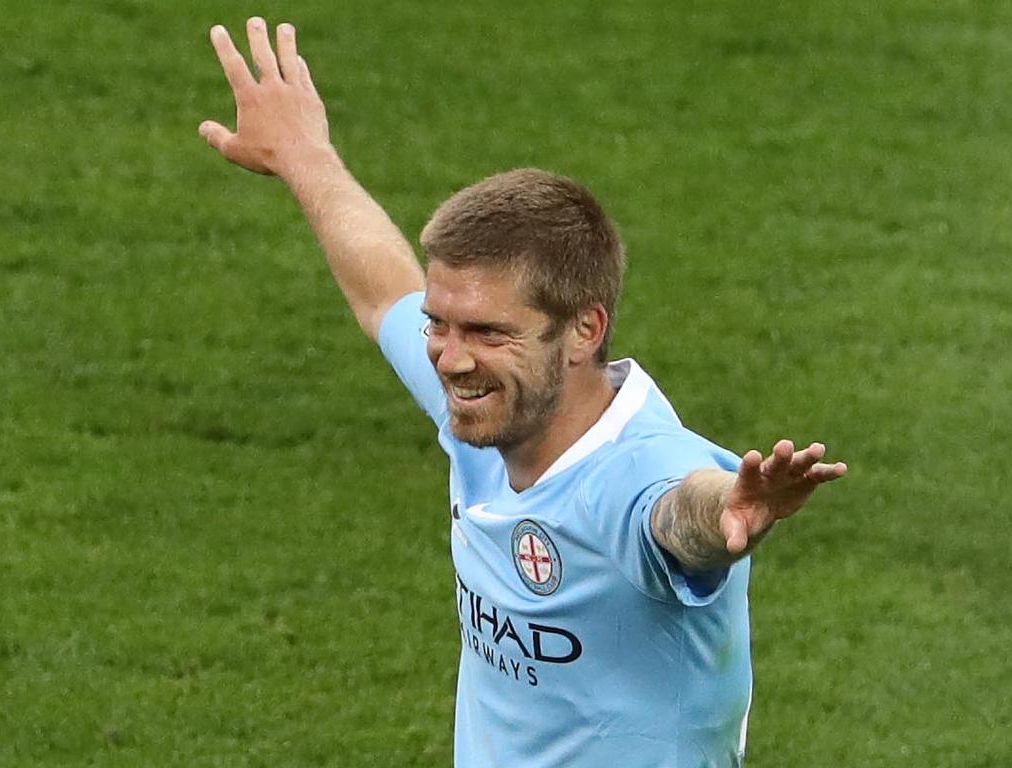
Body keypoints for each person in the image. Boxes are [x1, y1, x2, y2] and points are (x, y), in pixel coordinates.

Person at [199, 18, 847, 768]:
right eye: (441, 324)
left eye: (484, 331)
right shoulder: (491, 408)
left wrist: (727, 511)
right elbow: (384, 295)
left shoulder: (635, 471)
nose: (448, 358)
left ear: (582, 331)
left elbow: (678, 514)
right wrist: (305, 155)